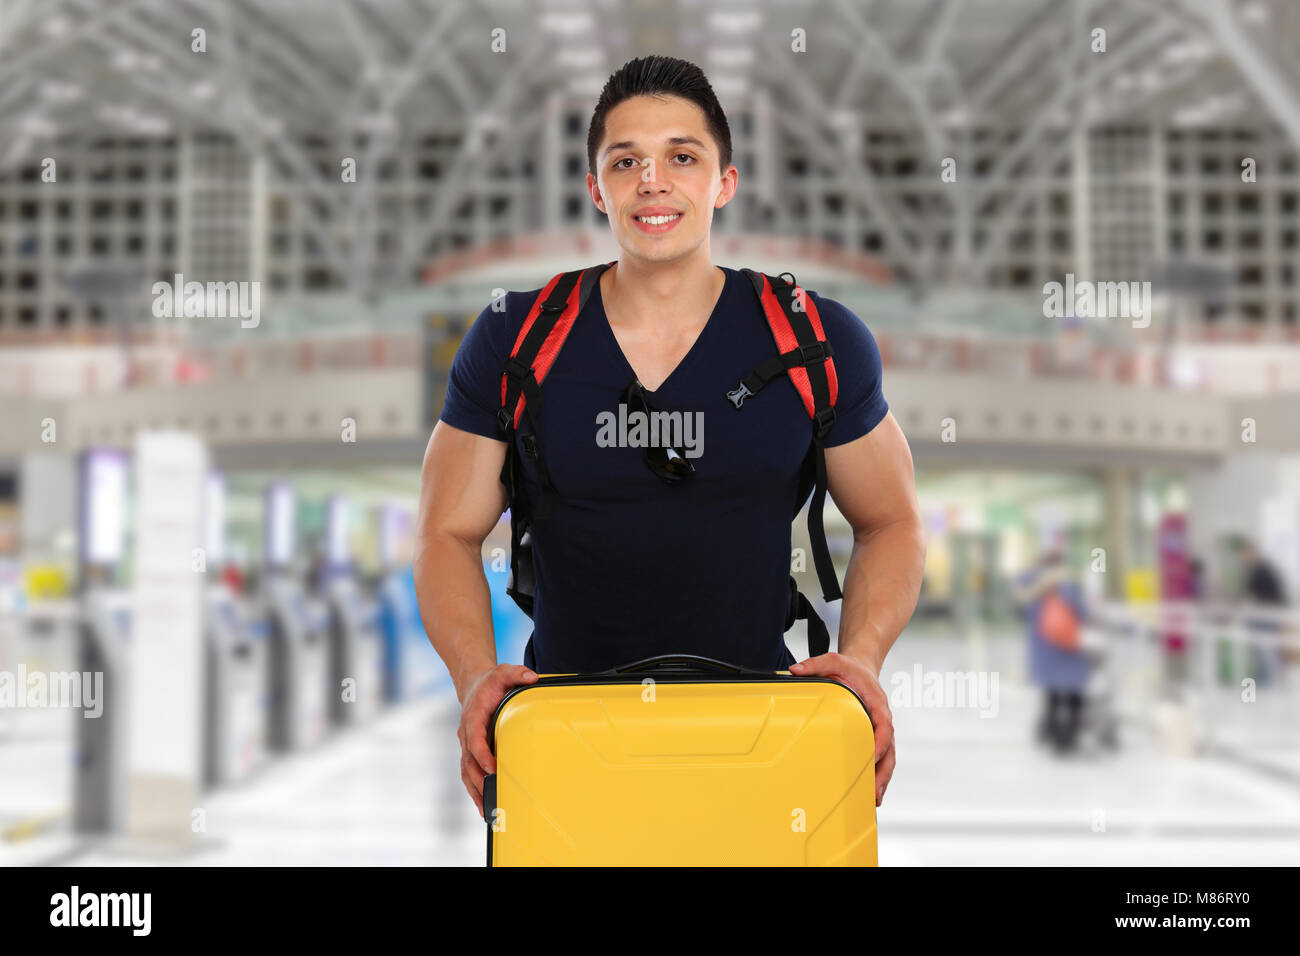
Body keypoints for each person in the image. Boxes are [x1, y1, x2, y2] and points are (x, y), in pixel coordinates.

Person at [414, 55, 925, 816]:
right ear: (597, 190)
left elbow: (892, 519)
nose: (653, 181)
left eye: (682, 157)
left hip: (762, 737)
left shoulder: (815, 340)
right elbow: (445, 533)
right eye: (626, 162)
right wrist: (472, 676)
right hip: (563, 739)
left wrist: (862, 659)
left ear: (724, 182)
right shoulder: (514, 339)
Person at [1014, 547, 1090, 755]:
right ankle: (1069, 738)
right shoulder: (1068, 588)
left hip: (1044, 653)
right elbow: (1083, 613)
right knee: (1074, 698)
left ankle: (1052, 734)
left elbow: (1019, 586)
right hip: (1068, 651)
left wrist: (1036, 571)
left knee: (1052, 697)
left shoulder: (1031, 589)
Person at [1232, 538, 1288, 687]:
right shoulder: (1256, 568)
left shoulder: (1261, 569)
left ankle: (1270, 682)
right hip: (1262, 615)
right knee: (1261, 649)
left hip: (1267, 615)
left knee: (1267, 649)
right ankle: (1266, 680)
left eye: (1243, 554)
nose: (1242, 558)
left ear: (1250, 552)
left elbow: (1265, 594)